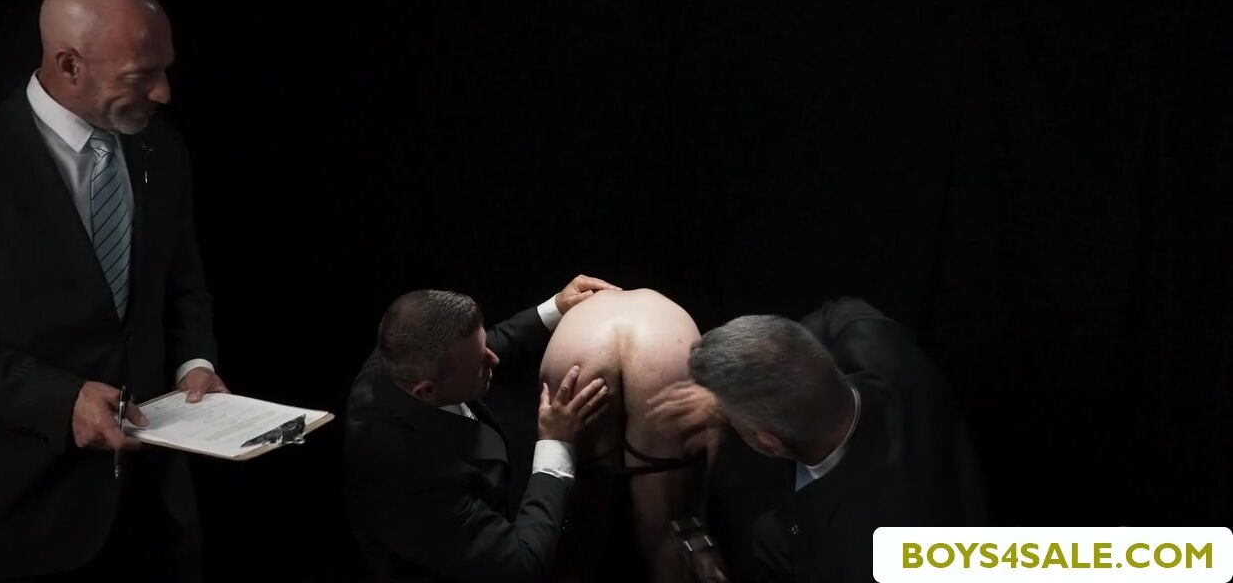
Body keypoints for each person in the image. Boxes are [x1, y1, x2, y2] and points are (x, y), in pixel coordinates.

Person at [0, 0, 227, 580]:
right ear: (69, 65)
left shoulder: (161, 148)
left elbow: (184, 284)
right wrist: (60, 402)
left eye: (165, 69)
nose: (163, 93)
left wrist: (195, 363)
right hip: (27, 515)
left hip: (156, 510)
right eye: (140, 76)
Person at [649, 297, 987, 582]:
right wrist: (739, 389)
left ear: (769, 443)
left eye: (732, 419)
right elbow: (839, 313)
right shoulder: (873, 341)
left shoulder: (827, 551)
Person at [345, 276, 617, 582]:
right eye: (479, 364)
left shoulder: (404, 352)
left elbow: (469, 352)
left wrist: (554, 308)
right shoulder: (412, 478)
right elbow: (522, 566)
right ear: (426, 391)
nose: (494, 359)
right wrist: (556, 443)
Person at [537, 288, 710, 582]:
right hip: (667, 340)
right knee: (665, 523)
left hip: (579, 339)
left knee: (579, 524)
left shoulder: (586, 307)